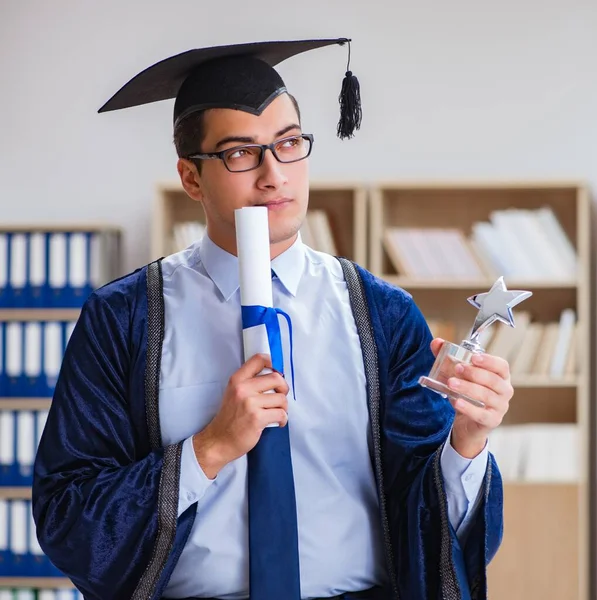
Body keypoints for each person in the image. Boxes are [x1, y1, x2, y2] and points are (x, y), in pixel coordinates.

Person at [32, 38, 509, 600]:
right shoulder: (124, 319)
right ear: (191, 177)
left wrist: (467, 444)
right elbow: (68, 516)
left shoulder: (381, 314)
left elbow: (431, 524)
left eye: (288, 145)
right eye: (239, 153)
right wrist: (208, 447)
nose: (273, 175)